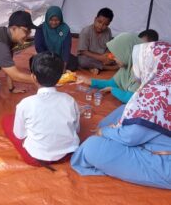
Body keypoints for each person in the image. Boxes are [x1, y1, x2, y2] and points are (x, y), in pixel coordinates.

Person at [71, 41, 171, 189]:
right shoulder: (162, 86)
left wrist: (105, 131)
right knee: (122, 112)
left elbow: (130, 137)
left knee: (91, 147)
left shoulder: (157, 95)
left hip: (162, 162)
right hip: (152, 143)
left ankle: (105, 148)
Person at [2, 52, 80, 167]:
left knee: (7, 121)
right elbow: (76, 130)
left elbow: (19, 135)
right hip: (68, 153)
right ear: (60, 77)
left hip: (37, 158)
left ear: (33, 77)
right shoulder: (70, 100)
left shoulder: (25, 104)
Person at [78, 33, 142, 103]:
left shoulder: (141, 71)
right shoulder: (126, 67)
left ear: (126, 53)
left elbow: (130, 99)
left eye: (115, 55)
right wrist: (90, 81)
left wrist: (112, 90)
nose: (113, 59)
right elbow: (112, 83)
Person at [34, 6, 78, 72]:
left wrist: (64, 65)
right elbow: (39, 47)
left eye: (57, 20)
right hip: (46, 57)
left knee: (74, 62)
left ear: (61, 19)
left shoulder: (65, 29)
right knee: (36, 63)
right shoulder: (41, 29)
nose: (54, 23)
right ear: (47, 18)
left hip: (60, 57)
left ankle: (54, 69)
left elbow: (67, 47)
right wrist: (48, 60)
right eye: (51, 20)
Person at [77, 8, 118, 75]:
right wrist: (100, 58)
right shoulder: (86, 31)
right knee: (81, 61)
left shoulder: (108, 31)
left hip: (102, 57)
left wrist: (106, 56)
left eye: (105, 24)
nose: (101, 26)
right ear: (95, 19)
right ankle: (107, 68)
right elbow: (83, 51)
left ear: (109, 24)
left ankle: (94, 67)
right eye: (99, 22)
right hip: (89, 57)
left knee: (118, 57)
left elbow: (108, 47)